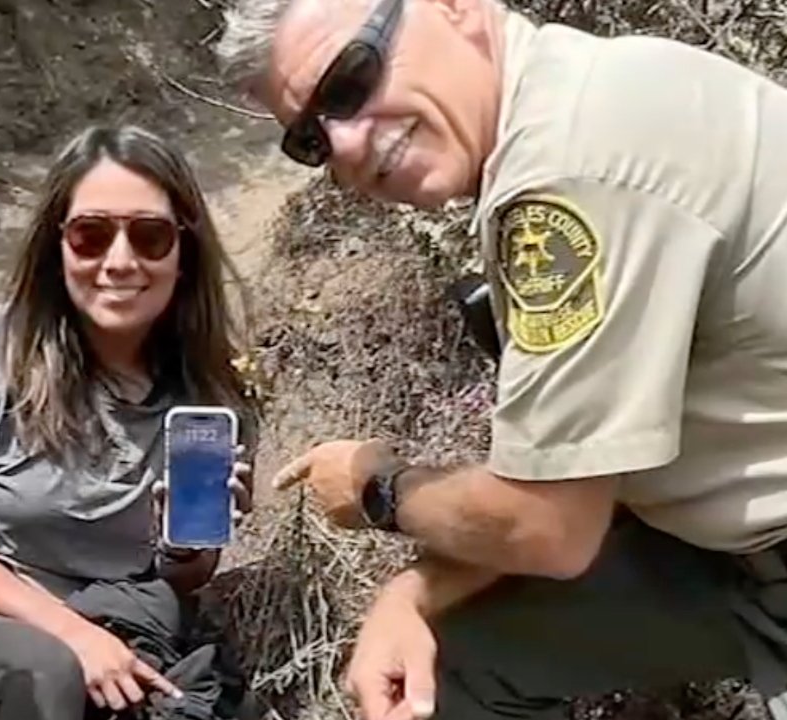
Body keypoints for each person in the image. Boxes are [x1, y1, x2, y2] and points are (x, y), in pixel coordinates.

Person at [212, 1, 787, 720]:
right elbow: (577, 481)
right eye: (312, 140)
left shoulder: (566, 176)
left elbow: (546, 525)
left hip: (750, 556)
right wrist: (411, 590)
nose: (347, 144)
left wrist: (377, 488)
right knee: (445, 659)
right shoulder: (593, 92)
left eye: (351, 82)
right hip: (723, 550)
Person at [0, 124, 259, 720]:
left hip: (122, 622)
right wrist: (73, 633)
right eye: (91, 235)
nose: (119, 262)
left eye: (150, 237)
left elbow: (183, 584)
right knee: (52, 676)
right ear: (57, 246)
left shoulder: (213, 395)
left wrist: (184, 546)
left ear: (184, 251)